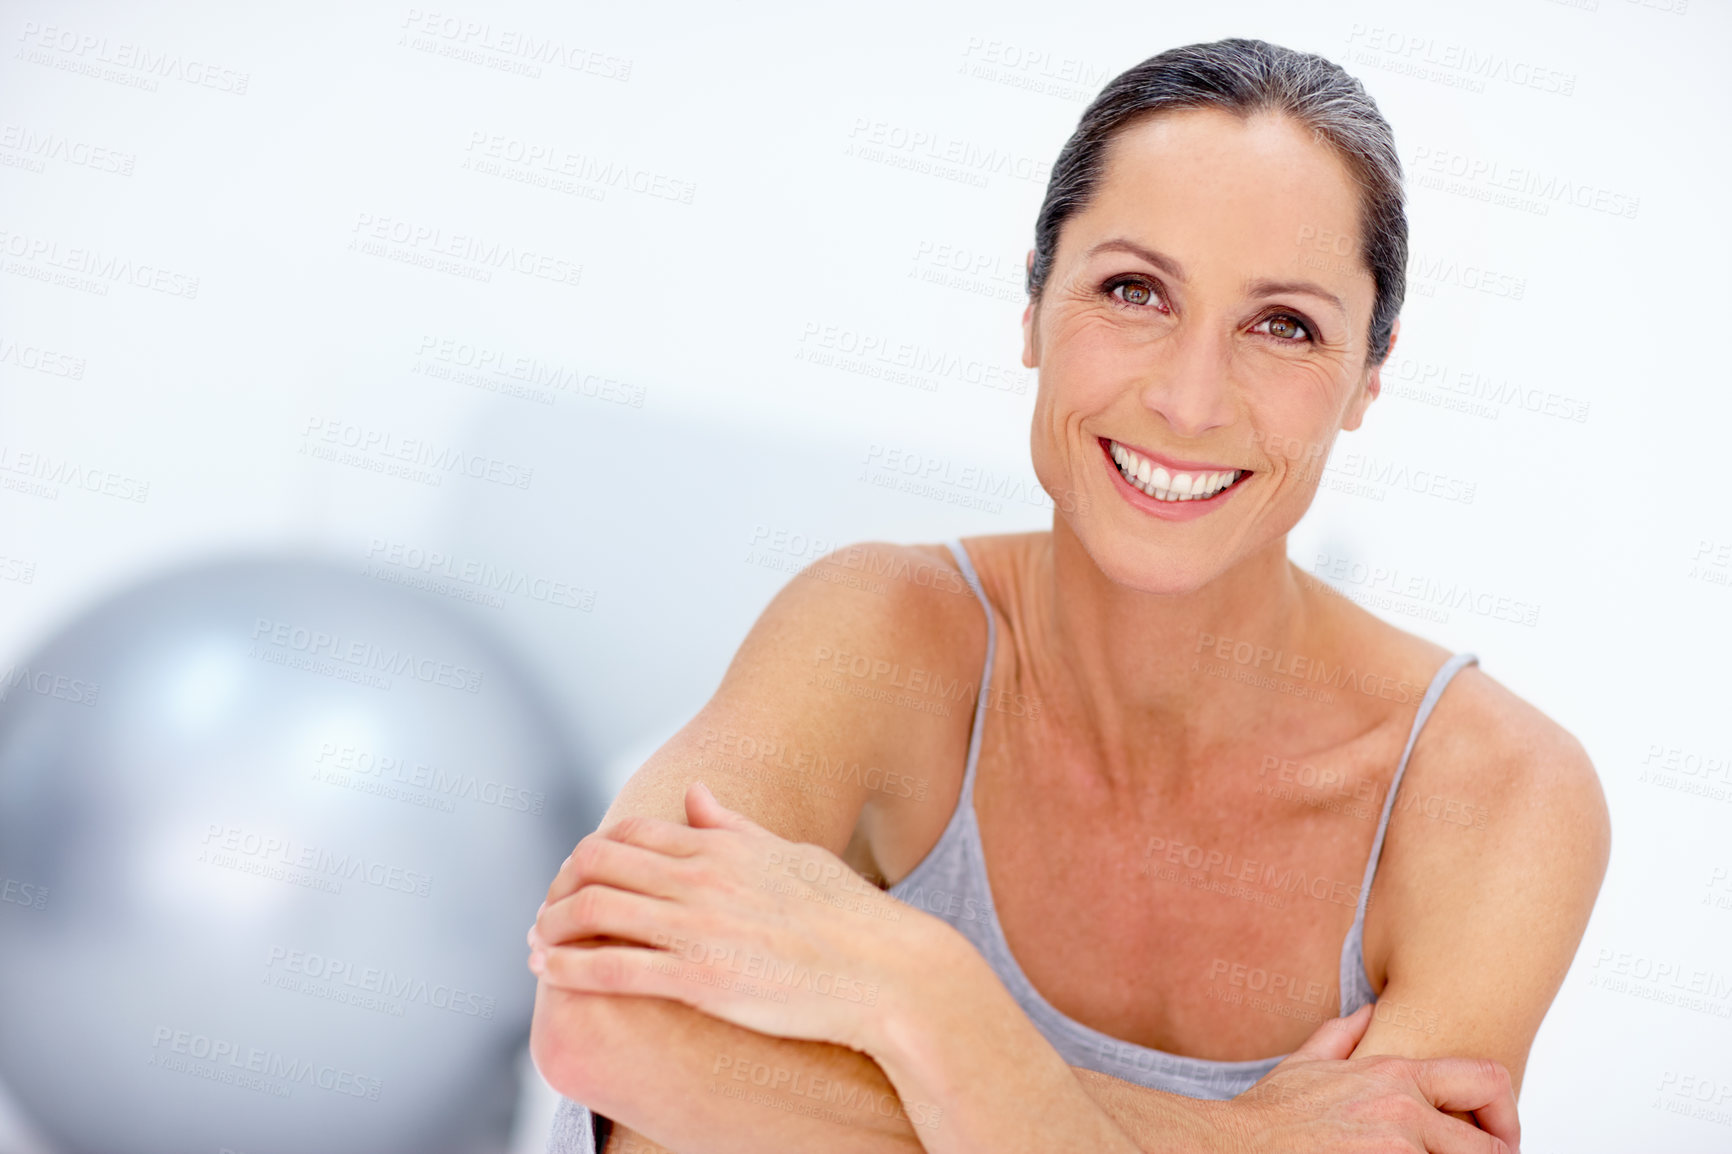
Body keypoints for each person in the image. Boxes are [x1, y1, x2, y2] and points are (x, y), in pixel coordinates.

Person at [526, 37, 1610, 1154]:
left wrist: (923, 1008)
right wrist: (1229, 1135)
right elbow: (608, 1018)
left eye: (1283, 323)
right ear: (1034, 309)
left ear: (1366, 378)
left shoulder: (1498, 792)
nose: (1189, 401)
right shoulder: (877, 631)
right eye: (1132, 291)